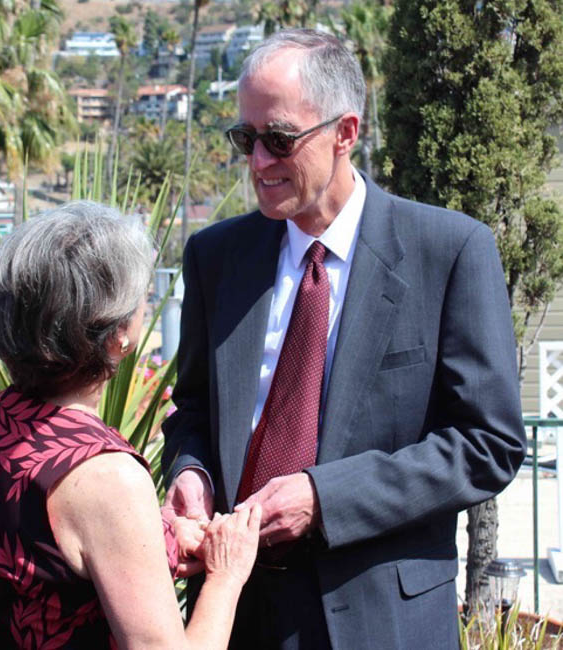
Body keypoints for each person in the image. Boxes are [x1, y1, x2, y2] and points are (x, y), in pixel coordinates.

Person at [161, 28, 527, 649]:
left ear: (345, 133)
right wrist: (190, 471)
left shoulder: (450, 252)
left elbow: (487, 444)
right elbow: (193, 406)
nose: (258, 162)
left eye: (278, 140)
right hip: (234, 612)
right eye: (245, 139)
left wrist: (326, 498)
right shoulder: (216, 257)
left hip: (381, 617)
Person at [0, 201, 263, 649]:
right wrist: (227, 573)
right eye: (141, 301)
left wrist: (157, 535)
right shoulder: (106, 476)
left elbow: (58, 561)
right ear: (118, 335)